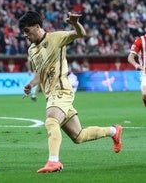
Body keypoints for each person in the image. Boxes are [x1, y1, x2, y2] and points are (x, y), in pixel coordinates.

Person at [19, 11, 122, 173]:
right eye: (23, 32)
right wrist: (31, 84)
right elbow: (40, 71)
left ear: (37, 26)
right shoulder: (31, 50)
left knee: (51, 120)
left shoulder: (56, 38)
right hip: (51, 95)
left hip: (61, 90)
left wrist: (74, 23)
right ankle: (114, 131)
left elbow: (80, 33)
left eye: (26, 30)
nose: (25, 35)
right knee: (78, 136)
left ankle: (53, 161)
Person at [128, 34, 146, 106]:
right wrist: (136, 65)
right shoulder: (140, 40)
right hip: (144, 73)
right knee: (145, 94)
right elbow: (130, 58)